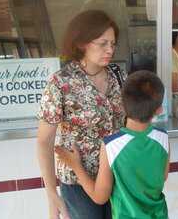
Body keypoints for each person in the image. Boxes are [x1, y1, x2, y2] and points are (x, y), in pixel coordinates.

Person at [37, 10, 126, 219]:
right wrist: (52, 195)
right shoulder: (61, 82)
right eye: (102, 43)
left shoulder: (118, 76)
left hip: (117, 178)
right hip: (78, 183)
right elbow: (44, 141)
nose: (110, 50)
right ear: (81, 43)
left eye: (112, 44)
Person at [55, 70, 169, 219]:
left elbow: (99, 197)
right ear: (159, 110)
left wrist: (75, 165)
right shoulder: (163, 138)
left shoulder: (112, 146)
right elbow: (163, 176)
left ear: (121, 104)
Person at [82, 0, 130, 69]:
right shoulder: (90, 3)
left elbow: (124, 22)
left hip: (117, 41)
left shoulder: (117, 1)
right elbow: (83, 26)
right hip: (103, 44)